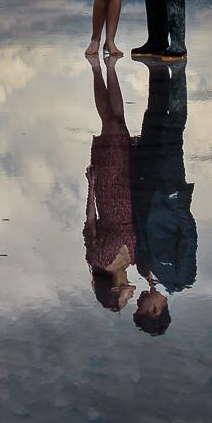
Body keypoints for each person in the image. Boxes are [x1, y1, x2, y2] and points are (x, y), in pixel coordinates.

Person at [130, 60, 195, 336]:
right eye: (141, 308)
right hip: (168, 186)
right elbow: (189, 236)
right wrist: (175, 199)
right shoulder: (182, 278)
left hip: (144, 184)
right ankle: (179, 70)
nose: (137, 302)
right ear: (156, 310)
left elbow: (138, 224)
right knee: (172, 130)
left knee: (153, 117)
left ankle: (156, 68)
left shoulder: (143, 268)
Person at [83, 58, 137, 312]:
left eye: (125, 300)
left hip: (107, 191)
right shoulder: (132, 261)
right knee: (120, 123)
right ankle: (109, 67)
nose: (130, 297)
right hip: (129, 188)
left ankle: (98, 68)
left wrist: (91, 185)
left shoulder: (98, 259)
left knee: (111, 125)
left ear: (114, 291)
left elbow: (90, 223)